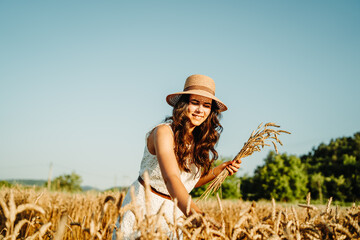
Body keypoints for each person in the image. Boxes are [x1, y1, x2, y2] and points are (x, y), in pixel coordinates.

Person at [113, 74, 241, 239]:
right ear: (182, 104)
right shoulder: (163, 132)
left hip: (175, 211)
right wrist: (196, 215)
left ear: (211, 111)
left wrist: (219, 170)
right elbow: (171, 178)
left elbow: (187, 183)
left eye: (206, 105)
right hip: (144, 208)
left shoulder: (198, 142)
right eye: (194, 103)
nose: (200, 110)